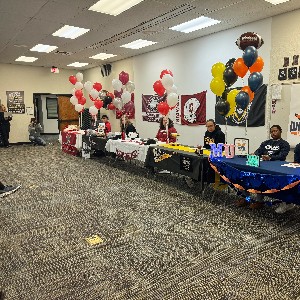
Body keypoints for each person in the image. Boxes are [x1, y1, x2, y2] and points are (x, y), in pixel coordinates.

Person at [237, 125, 290, 209]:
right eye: (272, 131)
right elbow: (258, 152)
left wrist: (270, 158)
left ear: (280, 131)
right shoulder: (265, 142)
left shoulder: (285, 144)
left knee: (260, 180)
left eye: (275, 131)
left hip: (275, 167)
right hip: (261, 164)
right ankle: (246, 198)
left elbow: (282, 156)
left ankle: (259, 201)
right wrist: (253, 154)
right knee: (245, 175)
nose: (273, 133)